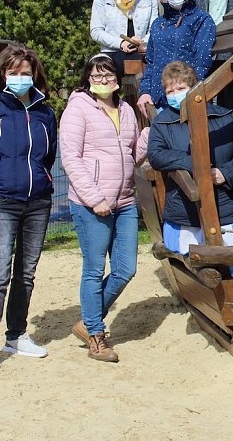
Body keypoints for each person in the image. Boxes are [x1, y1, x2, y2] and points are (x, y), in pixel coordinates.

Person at [0, 45, 58, 371]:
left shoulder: (45, 113)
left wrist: (42, 182)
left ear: (35, 75)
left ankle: (16, 335)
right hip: (2, 202)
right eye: (13, 72)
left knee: (26, 274)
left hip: (38, 202)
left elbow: (48, 156)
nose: (20, 78)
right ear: (2, 75)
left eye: (25, 73)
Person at [59, 54, 144, 363]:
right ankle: (95, 334)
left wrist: (147, 139)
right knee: (94, 270)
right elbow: (71, 157)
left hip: (124, 201)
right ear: (88, 79)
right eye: (96, 77)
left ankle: (87, 320)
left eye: (108, 76)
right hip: (90, 203)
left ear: (118, 79)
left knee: (125, 269)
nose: (103, 82)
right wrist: (94, 198)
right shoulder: (78, 108)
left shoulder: (126, 110)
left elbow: (131, 156)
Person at [147, 61, 233, 278]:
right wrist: (197, 166)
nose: (176, 94)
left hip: (228, 203)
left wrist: (227, 172)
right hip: (186, 209)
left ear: (195, 87)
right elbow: (157, 155)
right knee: (197, 268)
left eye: (181, 88)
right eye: (170, 90)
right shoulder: (162, 122)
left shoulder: (223, 116)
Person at [137, 0, 216, 117]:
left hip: (189, 100)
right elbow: (150, 63)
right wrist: (145, 91)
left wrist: (188, 93)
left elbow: (202, 63)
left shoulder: (202, 20)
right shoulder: (158, 24)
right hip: (159, 100)